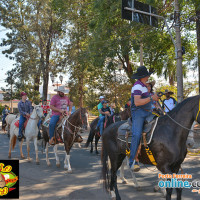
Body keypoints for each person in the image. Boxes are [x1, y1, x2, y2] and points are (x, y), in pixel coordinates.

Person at [129, 66, 159, 171]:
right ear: (144, 76)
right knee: (136, 135)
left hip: (148, 112)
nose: (148, 77)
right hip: (138, 113)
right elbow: (137, 102)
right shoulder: (137, 86)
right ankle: (132, 160)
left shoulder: (144, 86)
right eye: (147, 75)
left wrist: (155, 97)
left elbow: (147, 100)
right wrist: (151, 97)